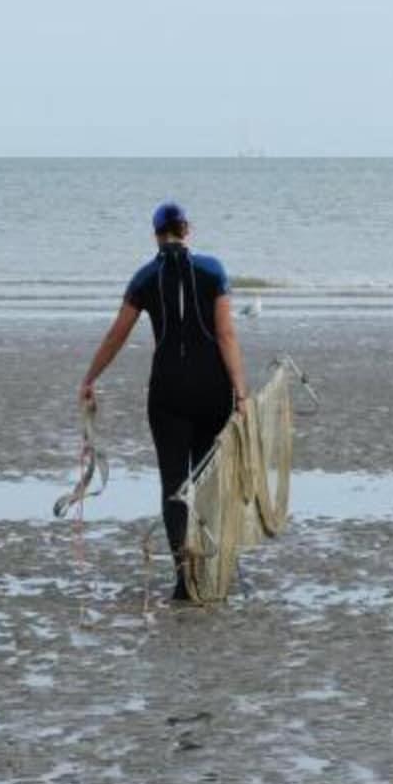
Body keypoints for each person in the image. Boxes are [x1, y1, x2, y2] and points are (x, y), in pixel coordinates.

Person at [78, 202, 249, 602]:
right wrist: (241, 392)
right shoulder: (213, 270)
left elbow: (116, 335)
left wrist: (90, 378)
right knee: (205, 481)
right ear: (187, 229)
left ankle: (183, 579)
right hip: (212, 391)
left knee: (175, 482)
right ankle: (208, 569)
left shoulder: (145, 277)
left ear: (156, 234)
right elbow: (226, 335)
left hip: (168, 392)